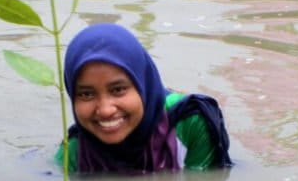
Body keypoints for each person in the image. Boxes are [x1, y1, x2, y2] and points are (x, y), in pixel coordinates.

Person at [55, 23, 232, 173]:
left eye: (118, 90)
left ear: (143, 85)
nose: (105, 110)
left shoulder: (189, 123)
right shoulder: (73, 153)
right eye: (86, 94)